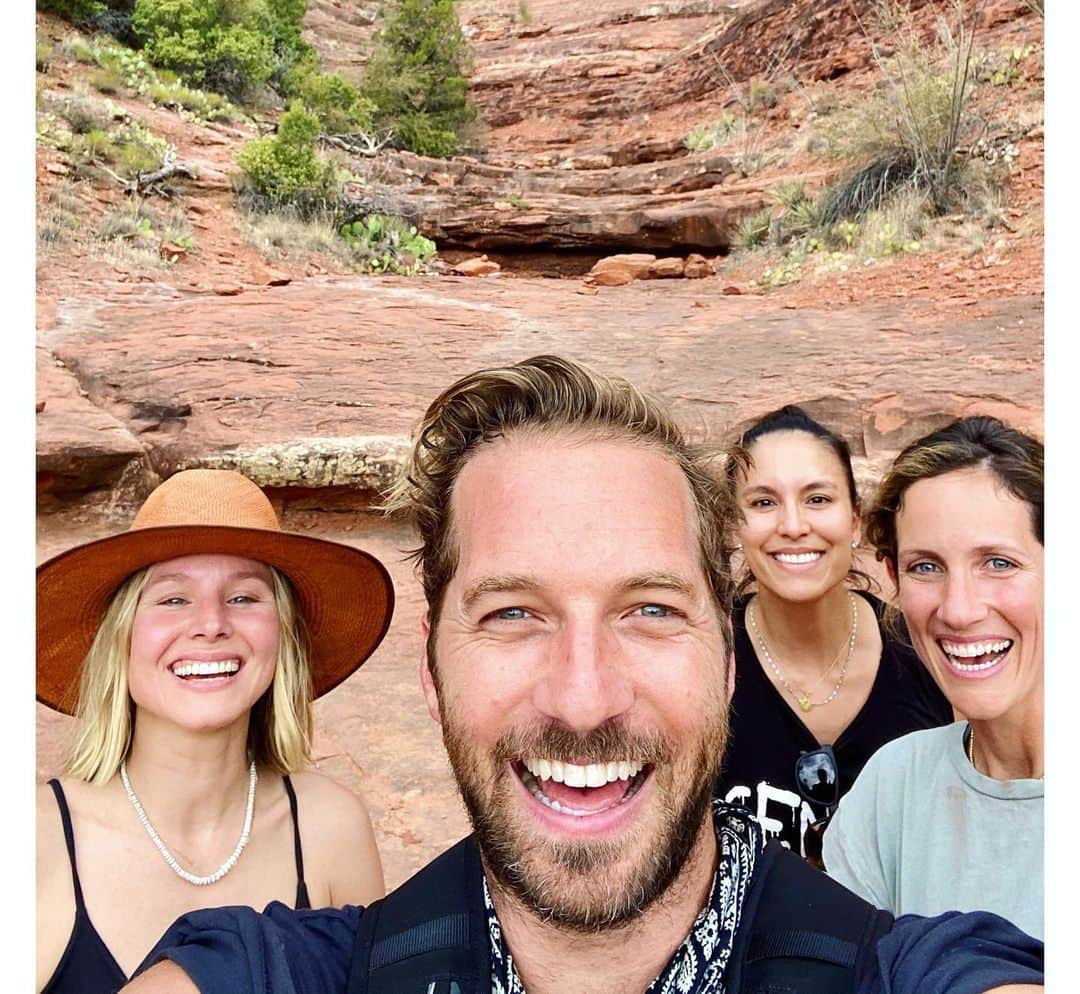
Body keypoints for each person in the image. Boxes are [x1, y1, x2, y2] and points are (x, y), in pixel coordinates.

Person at [120, 358, 1042, 994]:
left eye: (649, 610)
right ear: (433, 669)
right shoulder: (279, 967)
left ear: (727, 659)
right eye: (514, 613)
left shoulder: (902, 964)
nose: (583, 696)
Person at [36, 467, 396, 994]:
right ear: (121, 639)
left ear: (283, 637)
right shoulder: (31, 840)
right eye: (173, 599)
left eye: (245, 597)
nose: (211, 624)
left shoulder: (328, 829)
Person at [823, 416, 1044, 939]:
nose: (960, 610)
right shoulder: (893, 786)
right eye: (926, 567)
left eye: (998, 562)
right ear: (894, 579)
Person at [715, 406, 951, 861]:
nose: (794, 525)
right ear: (733, 526)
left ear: (855, 520)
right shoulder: (707, 659)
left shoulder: (925, 654)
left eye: (817, 499)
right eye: (764, 502)